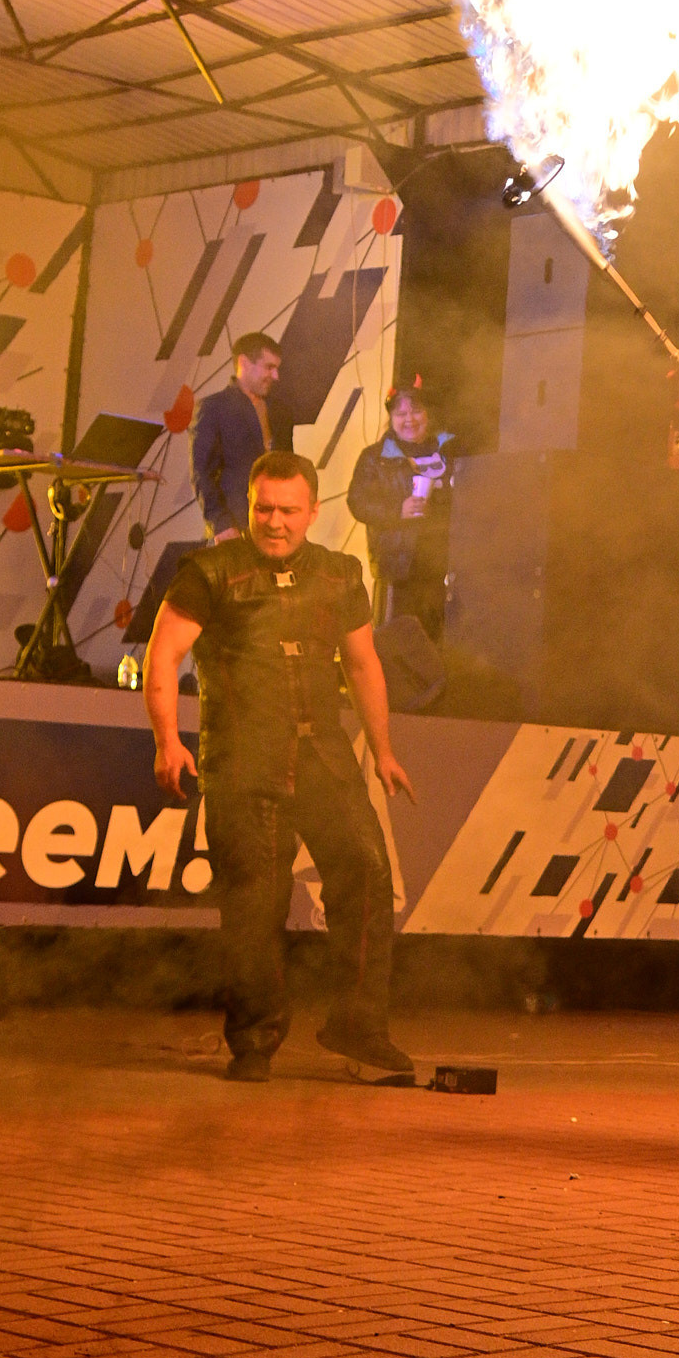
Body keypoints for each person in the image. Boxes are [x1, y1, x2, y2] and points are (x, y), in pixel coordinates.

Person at [145, 451, 414, 1083]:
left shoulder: (339, 574)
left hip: (322, 754)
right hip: (244, 760)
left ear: (313, 511)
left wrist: (383, 750)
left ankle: (358, 1028)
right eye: (263, 508)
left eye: (288, 511)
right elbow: (163, 656)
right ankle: (254, 1041)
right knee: (255, 905)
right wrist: (167, 740)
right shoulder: (209, 572)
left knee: (368, 872)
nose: (274, 522)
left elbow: (363, 665)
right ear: (249, 505)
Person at [348, 384, 459, 644]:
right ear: (391, 418)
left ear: (427, 414)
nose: (409, 419)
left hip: (442, 564)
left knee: (438, 639)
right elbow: (358, 502)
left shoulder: (447, 451)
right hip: (397, 567)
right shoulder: (376, 457)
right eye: (400, 413)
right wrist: (398, 510)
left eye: (416, 411)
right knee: (396, 640)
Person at [190, 331, 292, 542]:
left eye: (277, 368)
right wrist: (221, 524)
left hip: (278, 528)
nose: (276, 376)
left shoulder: (279, 410)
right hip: (236, 530)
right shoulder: (213, 408)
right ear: (244, 363)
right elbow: (202, 473)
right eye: (269, 367)